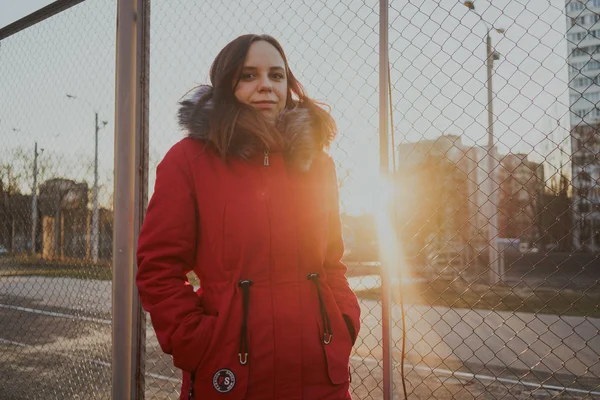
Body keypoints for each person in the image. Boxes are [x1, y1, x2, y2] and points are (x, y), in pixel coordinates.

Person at [136, 33, 361, 400]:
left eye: (276, 75)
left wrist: (343, 322)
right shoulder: (189, 160)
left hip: (319, 376)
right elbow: (157, 266)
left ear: (289, 85)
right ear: (227, 85)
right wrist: (197, 341)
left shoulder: (318, 165)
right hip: (228, 375)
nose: (266, 86)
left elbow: (330, 262)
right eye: (249, 75)